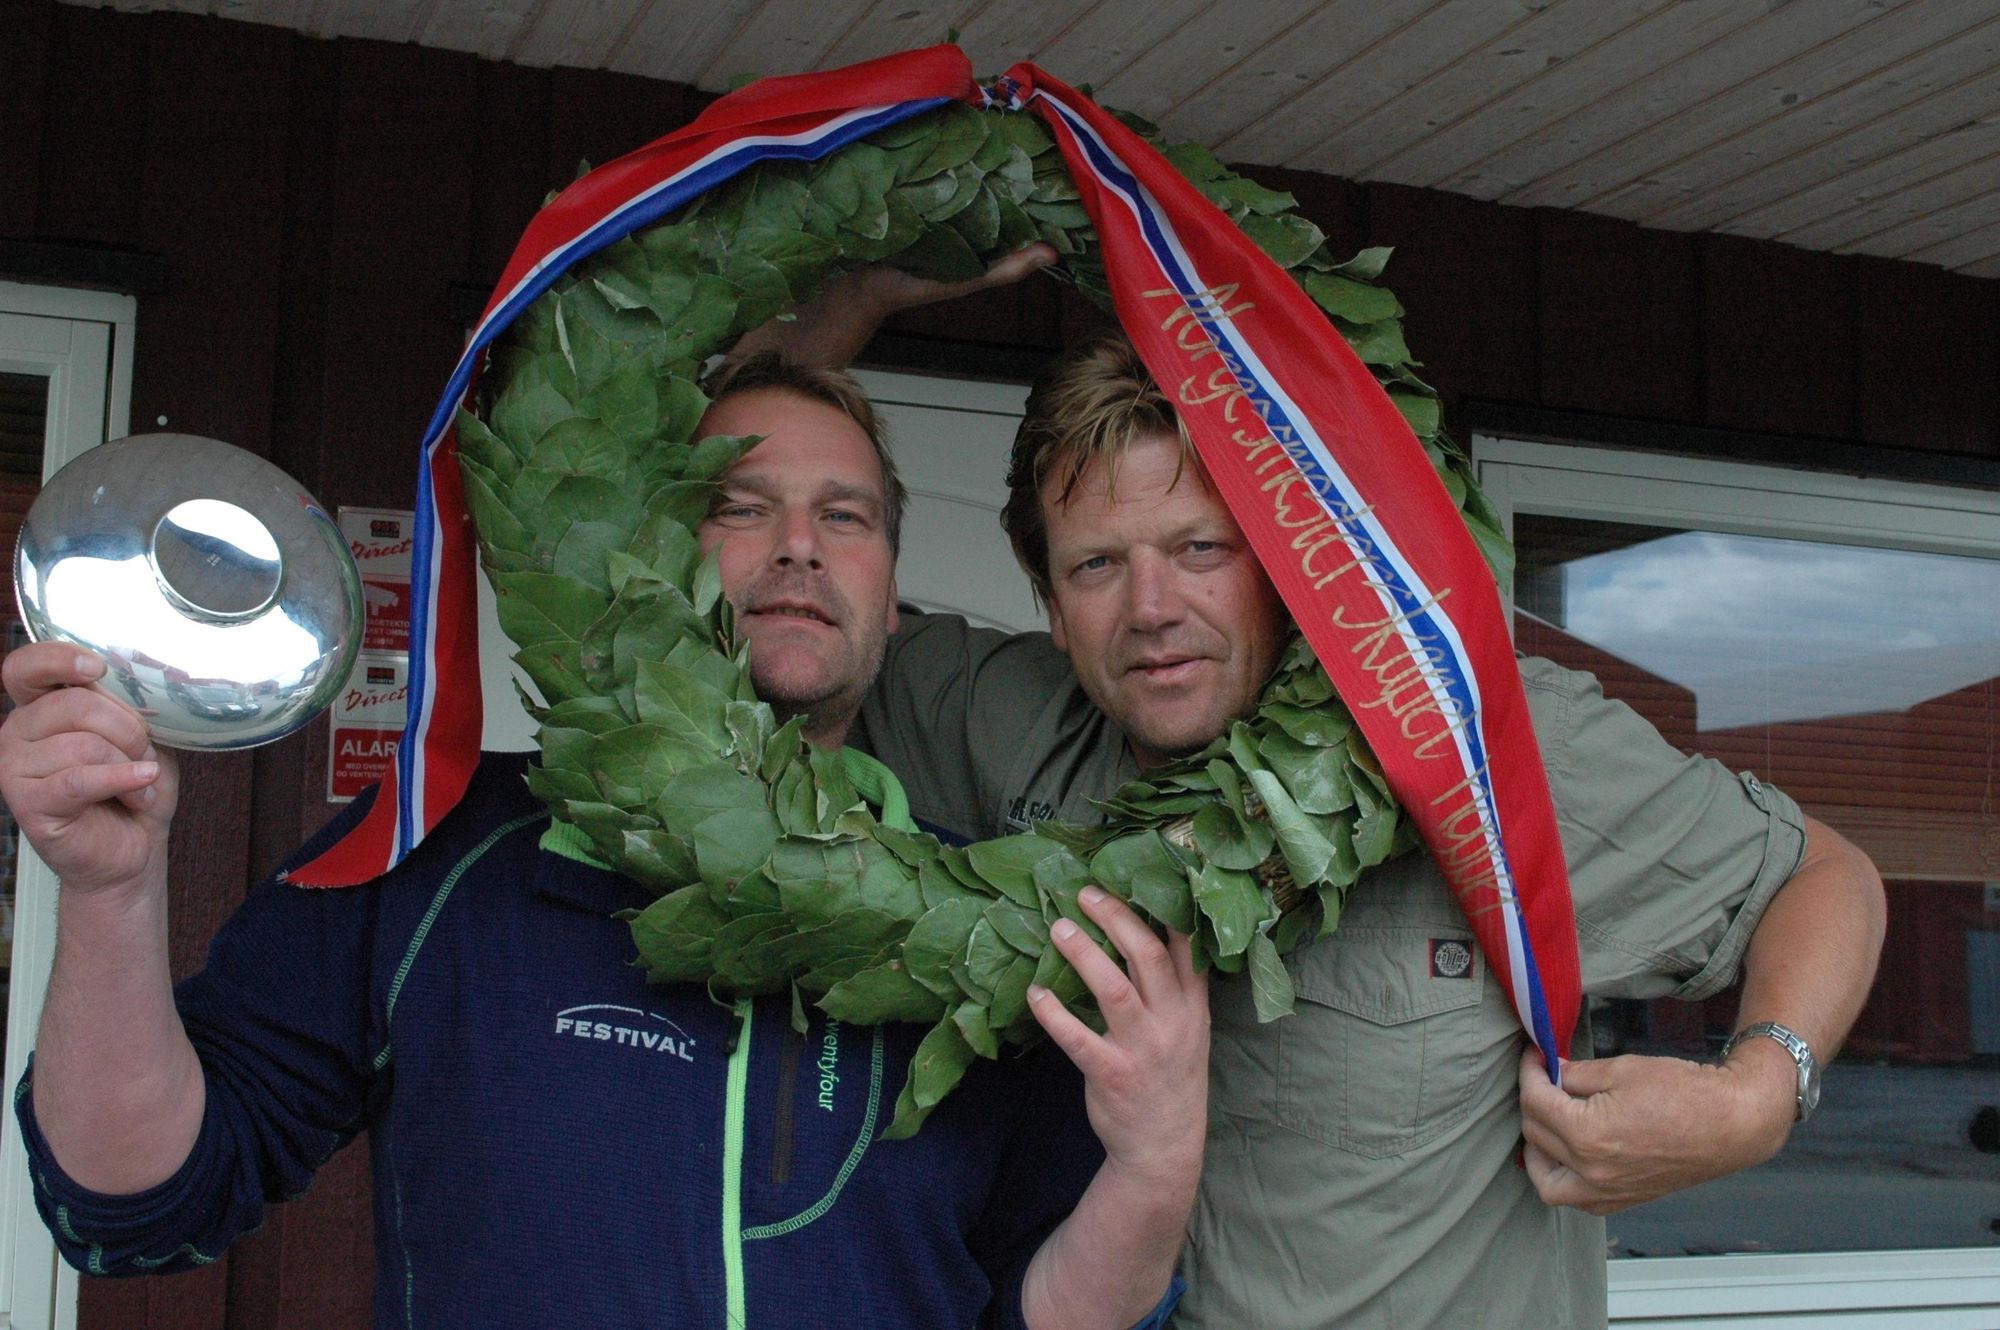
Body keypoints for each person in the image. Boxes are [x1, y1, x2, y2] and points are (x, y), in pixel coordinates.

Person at [0, 352, 1208, 1329]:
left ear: (891, 594)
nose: (798, 543)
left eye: (844, 515)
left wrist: (1154, 1171)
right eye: (738, 505)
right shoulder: (442, 857)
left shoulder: (989, 922)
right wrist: (108, 892)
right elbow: (139, 1202)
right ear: (650, 560)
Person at [809, 323, 1884, 1327]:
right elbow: (764, 590)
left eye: (1199, 548)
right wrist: (823, 322)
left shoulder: (1483, 739)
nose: (1148, 606)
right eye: (1096, 564)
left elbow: (1820, 875)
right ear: (1048, 601)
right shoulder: (996, 717)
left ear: (1285, 563)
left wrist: (1755, 1098)